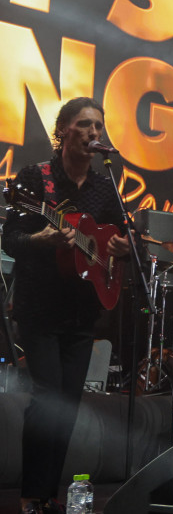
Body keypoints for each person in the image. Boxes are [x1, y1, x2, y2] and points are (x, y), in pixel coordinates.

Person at [3, 97, 131, 514]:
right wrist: (44, 240)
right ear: (64, 130)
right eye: (85, 125)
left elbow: (119, 239)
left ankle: (50, 495)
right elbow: (10, 242)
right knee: (48, 398)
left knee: (69, 404)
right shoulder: (34, 179)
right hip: (40, 308)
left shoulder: (103, 187)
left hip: (82, 311)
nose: (95, 133)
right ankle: (30, 495)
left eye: (99, 126)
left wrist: (118, 248)